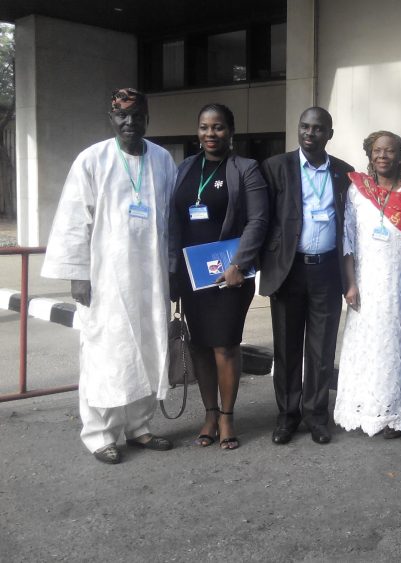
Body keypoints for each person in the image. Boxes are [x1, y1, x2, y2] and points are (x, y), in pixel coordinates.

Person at [41, 88, 177, 464]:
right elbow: (74, 220)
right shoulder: (92, 159)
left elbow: (172, 218)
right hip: (105, 277)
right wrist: (78, 274)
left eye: (137, 116)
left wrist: (173, 266)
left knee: (148, 349)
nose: (130, 123)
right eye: (122, 116)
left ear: (147, 118)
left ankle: (139, 426)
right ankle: (100, 433)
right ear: (111, 118)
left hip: (150, 279)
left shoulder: (163, 160)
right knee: (106, 352)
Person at [168, 103, 269, 450]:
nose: (211, 134)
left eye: (218, 127)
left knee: (225, 345)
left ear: (231, 131)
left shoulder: (245, 169)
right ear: (197, 131)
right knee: (198, 345)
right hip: (192, 275)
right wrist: (172, 270)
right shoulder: (184, 169)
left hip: (230, 275)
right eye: (205, 127)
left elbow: (258, 221)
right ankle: (208, 414)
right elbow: (174, 223)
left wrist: (239, 264)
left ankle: (227, 417)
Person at [259, 107, 354, 446]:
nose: (309, 133)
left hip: (326, 271)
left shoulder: (344, 172)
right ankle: (287, 416)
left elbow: (349, 224)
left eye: (317, 128)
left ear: (329, 133)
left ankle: (316, 415)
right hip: (289, 270)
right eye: (304, 127)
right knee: (286, 347)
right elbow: (262, 218)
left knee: (321, 348)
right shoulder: (276, 167)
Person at [334, 131, 401, 438]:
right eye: (377, 150)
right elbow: (347, 237)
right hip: (366, 281)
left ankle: (394, 414)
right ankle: (362, 407)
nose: (383, 156)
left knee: (397, 345)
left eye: (390, 151)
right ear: (369, 154)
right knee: (368, 344)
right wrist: (349, 283)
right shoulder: (357, 191)